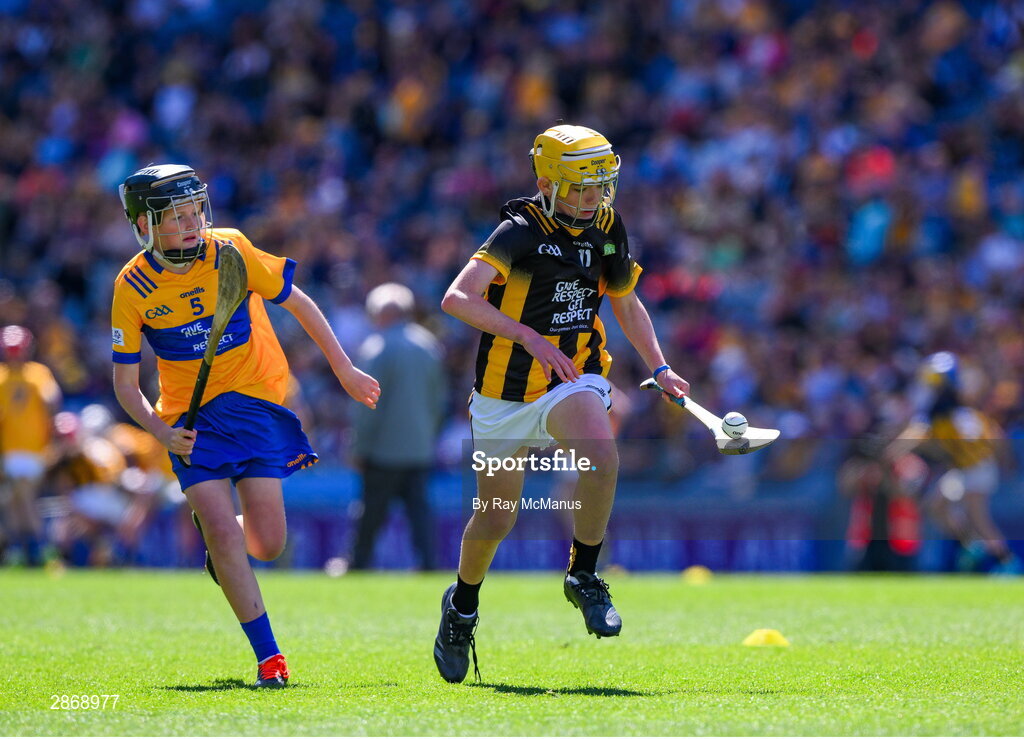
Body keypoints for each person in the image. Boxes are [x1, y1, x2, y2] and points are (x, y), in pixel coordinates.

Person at [433, 124, 689, 682]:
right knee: (496, 517)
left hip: (574, 375)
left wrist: (660, 366)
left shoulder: (606, 227)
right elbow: (457, 298)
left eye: (600, 185)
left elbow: (625, 302)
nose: (592, 197)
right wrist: (525, 335)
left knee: (603, 456)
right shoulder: (518, 231)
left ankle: (585, 575)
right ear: (547, 182)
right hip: (504, 392)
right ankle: (462, 607)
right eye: (579, 186)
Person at [111, 164, 380, 688]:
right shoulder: (132, 286)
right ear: (145, 225)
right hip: (191, 423)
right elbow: (126, 386)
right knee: (221, 529)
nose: (193, 223)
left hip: (255, 407)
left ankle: (223, 539)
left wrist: (343, 367)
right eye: (176, 216)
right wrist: (161, 433)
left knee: (269, 544)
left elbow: (297, 301)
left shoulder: (230, 249)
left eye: (195, 211)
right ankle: (269, 658)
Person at [888, 352, 1020, 574]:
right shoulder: (955, 409)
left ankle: (1007, 562)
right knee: (936, 506)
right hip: (963, 469)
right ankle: (972, 545)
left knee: (979, 518)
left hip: (976, 468)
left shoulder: (947, 409)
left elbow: (920, 434)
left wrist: (894, 449)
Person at [349, 282, 445, 571]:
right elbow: (439, 401)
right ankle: (429, 565)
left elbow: (367, 405)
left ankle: (358, 564)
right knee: (419, 515)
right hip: (419, 449)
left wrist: (359, 446)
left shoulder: (377, 347)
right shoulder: (429, 345)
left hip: (383, 451)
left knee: (371, 514)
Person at [0, 325, 61, 566]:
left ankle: (35, 547)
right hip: (7, 452)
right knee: (15, 499)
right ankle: (30, 549)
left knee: (22, 494)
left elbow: (52, 400)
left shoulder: (38, 373)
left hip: (36, 451)